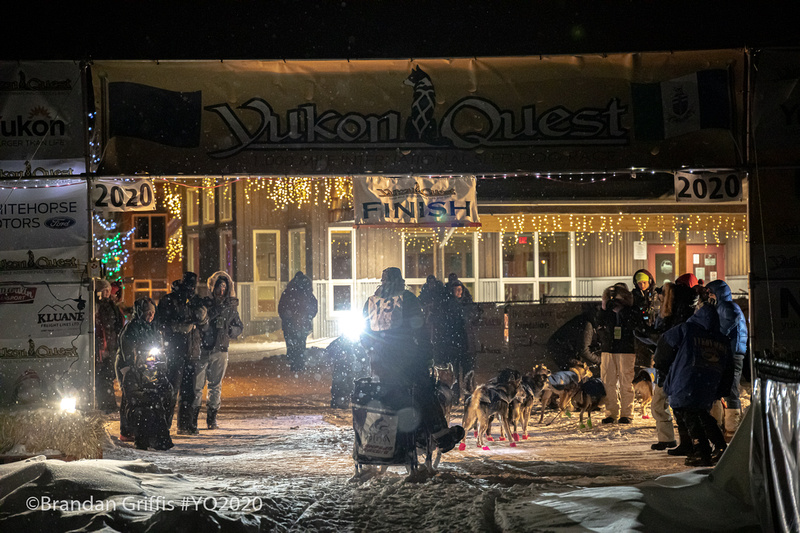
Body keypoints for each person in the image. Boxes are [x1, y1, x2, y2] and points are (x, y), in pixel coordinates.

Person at [361, 267, 464, 453]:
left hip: (380, 364)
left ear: (382, 282)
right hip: (407, 359)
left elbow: (364, 334)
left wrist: (372, 353)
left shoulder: (371, 302)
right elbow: (421, 330)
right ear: (401, 281)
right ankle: (441, 435)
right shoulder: (407, 299)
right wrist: (426, 354)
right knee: (425, 391)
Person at [654, 300, 734, 466]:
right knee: (702, 414)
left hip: (686, 380)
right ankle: (720, 447)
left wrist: (662, 365)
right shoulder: (721, 339)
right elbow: (729, 367)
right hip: (708, 383)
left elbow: (665, 344)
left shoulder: (687, 329)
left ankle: (701, 451)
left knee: (688, 413)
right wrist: (722, 389)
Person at [635, 280, 696, 451]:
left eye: (661, 297)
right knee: (666, 404)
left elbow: (667, 339)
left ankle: (680, 441)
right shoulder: (675, 315)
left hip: (670, 365)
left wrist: (648, 335)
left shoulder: (673, 316)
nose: (659, 299)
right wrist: (648, 337)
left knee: (668, 404)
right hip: (668, 364)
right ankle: (674, 440)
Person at [155, 272, 208, 434]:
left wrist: (203, 319)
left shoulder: (196, 301)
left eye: (193, 286)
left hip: (192, 352)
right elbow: (160, 323)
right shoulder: (169, 300)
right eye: (188, 286)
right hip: (174, 352)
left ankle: (185, 425)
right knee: (170, 390)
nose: (191, 289)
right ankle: (164, 425)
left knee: (189, 391)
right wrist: (177, 327)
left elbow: (205, 327)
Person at [193, 271, 244, 431]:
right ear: (212, 287)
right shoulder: (206, 304)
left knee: (215, 385)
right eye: (219, 286)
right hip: (203, 348)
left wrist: (231, 331)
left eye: (224, 286)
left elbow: (238, 325)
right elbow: (201, 322)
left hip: (221, 349)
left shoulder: (231, 306)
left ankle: (211, 418)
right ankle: (192, 419)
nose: (221, 289)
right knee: (197, 386)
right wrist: (216, 312)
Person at [705, 279, 748, 441]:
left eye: (711, 292)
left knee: (730, 391)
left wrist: (713, 336)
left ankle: (732, 429)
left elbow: (726, 326)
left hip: (732, 353)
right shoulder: (723, 307)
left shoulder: (728, 307)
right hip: (727, 352)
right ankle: (725, 428)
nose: (709, 295)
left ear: (719, 293)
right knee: (723, 389)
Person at [116, 297, 160, 442]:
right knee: (129, 397)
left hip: (144, 364)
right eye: (148, 312)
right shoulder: (132, 328)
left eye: (153, 312)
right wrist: (131, 366)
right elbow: (127, 349)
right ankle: (126, 430)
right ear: (140, 312)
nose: (151, 315)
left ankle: (141, 428)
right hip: (128, 365)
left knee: (143, 396)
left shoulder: (151, 327)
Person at [122, 337, 174, 451]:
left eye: (154, 357)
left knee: (159, 411)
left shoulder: (158, 372)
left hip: (156, 406)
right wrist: (151, 396)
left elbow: (169, 392)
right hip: (137, 409)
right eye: (149, 356)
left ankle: (159, 440)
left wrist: (162, 378)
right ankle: (142, 440)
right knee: (147, 413)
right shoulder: (132, 373)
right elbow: (133, 395)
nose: (152, 359)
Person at [598, 283, 638, 424]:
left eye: (619, 299)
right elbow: (599, 323)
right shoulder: (606, 311)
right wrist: (604, 307)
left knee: (626, 382)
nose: (615, 302)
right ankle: (611, 413)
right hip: (608, 348)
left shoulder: (631, 311)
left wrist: (622, 311)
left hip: (625, 349)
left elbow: (633, 325)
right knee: (608, 382)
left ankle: (627, 413)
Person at [545, 302, 603, 374]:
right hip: (560, 350)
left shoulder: (586, 320)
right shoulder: (587, 325)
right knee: (577, 374)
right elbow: (584, 351)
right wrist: (600, 360)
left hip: (561, 348)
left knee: (576, 372)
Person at [278, 272, 319, 372]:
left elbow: (281, 308)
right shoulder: (308, 294)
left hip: (290, 324)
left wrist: (287, 318)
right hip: (302, 324)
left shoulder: (288, 293)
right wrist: (308, 317)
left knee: (292, 344)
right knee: (301, 344)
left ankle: (294, 362)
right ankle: (299, 363)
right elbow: (314, 307)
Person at [95, 279, 125, 413]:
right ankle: (107, 405)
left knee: (106, 376)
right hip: (106, 347)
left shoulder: (107, 306)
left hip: (108, 346)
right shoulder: (105, 306)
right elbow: (107, 327)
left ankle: (107, 404)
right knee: (105, 377)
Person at [631, 269, 657, 369]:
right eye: (639, 283)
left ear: (649, 281)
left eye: (644, 282)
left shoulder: (657, 295)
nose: (642, 285)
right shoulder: (633, 297)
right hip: (639, 337)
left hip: (655, 335)